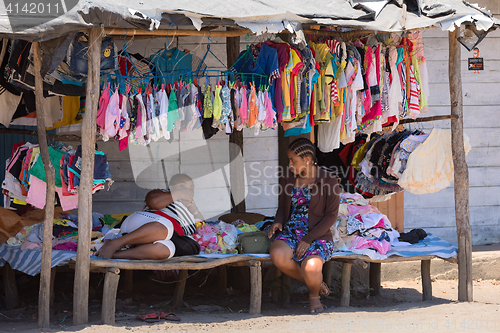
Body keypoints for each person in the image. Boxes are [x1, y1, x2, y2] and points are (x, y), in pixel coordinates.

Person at [268, 138, 340, 313]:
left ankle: (314, 295)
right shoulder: (288, 179)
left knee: (312, 267)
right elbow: (283, 208)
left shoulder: (328, 180)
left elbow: (331, 216)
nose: (290, 164)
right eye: (289, 160)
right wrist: (278, 221)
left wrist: (308, 239)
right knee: (277, 254)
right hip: (291, 231)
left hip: (317, 235)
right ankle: (314, 282)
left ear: (307, 160)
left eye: (293, 160)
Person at [98, 174, 203, 260]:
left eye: (191, 188)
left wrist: (192, 207)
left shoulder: (189, 211)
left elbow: (202, 226)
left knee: (165, 250)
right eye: (182, 186)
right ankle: (116, 243)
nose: (187, 190)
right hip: (142, 224)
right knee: (167, 226)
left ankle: (113, 254)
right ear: (171, 187)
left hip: (165, 237)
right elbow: (153, 202)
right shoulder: (164, 193)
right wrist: (178, 194)